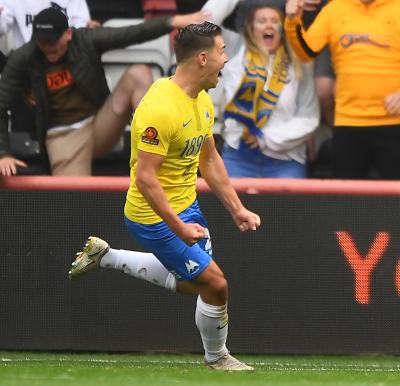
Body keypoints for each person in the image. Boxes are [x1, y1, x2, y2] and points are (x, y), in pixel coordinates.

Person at [67, 21, 261, 371]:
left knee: (193, 285)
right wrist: (179, 227)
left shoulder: (201, 99)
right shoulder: (159, 108)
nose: (226, 58)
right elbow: (145, 179)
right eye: (221, 51)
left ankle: (106, 256)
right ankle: (217, 359)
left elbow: (210, 158)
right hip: (153, 217)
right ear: (202, 58)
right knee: (216, 286)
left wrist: (236, 209)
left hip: (186, 208)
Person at [0, 6, 206, 176]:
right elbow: (1, 103)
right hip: (62, 135)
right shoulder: (25, 57)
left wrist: (173, 21)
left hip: (99, 123)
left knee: (139, 74)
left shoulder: (85, 40)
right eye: (42, 41)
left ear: (68, 34)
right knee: (72, 203)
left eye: (53, 40)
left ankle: (153, 148)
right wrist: (3, 153)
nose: (48, 47)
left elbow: (131, 34)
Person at [284, 0, 400, 179]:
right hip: (348, 122)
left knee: (399, 204)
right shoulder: (334, 10)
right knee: (348, 207)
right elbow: (307, 52)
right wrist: (292, 21)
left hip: (395, 123)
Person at [215, 2, 319, 178]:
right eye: (262, 21)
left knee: (286, 207)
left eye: (274, 21)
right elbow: (206, 20)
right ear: (251, 29)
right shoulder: (234, 54)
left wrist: (265, 138)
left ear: (282, 29)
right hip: (238, 156)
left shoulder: (299, 65)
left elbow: (309, 118)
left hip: (285, 160)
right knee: (230, 205)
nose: (269, 25)